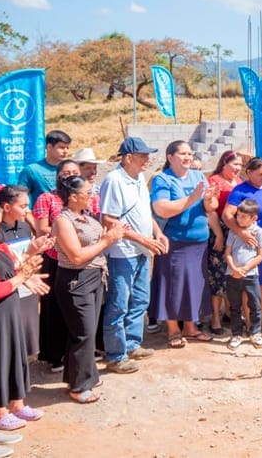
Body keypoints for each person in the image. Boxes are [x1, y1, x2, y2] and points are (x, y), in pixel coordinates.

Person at [53, 176, 126, 403]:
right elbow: (76, 256)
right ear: (73, 197)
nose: (92, 195)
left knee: (86, 331)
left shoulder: (86, 215)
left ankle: (81, 376)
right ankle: (79, 386)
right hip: (77, 280)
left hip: (94, 277)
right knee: (82, 333)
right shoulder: (63, 221)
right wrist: (107, 241)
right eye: (87, 192)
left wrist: (112, 235)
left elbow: (95, 242)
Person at [99, 137, 168, 374]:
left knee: (140, 300)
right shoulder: (114, 180)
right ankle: (115, 355)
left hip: (141, 250)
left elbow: (144, 211)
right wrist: (143, 239)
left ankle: (131, 343)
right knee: (119, 304)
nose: (147, 159)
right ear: (128, 158)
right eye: (143, 155)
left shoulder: (138, 178)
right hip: (123, 253)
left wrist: (157, 232)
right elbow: (109, 220)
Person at [150, 140, 219, 349]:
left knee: (193, 286)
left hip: (198, 242)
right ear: (170, 157)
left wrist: (208, 199)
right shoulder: (162, 179)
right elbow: (161, 209)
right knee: (173, 287)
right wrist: (192, 198)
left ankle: (191, 327)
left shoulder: (198, 176)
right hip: (175, 243)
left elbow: (211, 207)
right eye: (183, 153)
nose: (188, 157)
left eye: (190, 153)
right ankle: (173, 329)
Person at [0, 201, 46, 431]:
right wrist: (21, 278)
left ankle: (16, 403)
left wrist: (28, 268)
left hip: (9, 311)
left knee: (13, 355)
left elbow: (12, 263)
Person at [32, 159, 91, 372]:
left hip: (79, 258)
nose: (70, 175)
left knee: (76, 309)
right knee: (53, 308)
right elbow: (42, 229)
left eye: (74, 172)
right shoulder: (47, 198)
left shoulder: (84, 196)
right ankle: (55, 355)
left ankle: (78, 352)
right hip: (55, 258)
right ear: (58, 175)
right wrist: (67, 234)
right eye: (66, 172)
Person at [223, 158, 262, 333]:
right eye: (260, 174)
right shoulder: (240, 190)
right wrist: (241, 232)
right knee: (248, 283)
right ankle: (249, 322)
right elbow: (227, 214)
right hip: (246, 246)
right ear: (248, 172)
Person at [0, 185, 48, 363]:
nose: (27, 210)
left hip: (28, 287)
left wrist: (37, 249)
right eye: (23, 206)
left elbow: (25, 257)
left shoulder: (24, 227)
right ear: (6, 207)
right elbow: (5, 264)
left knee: (27, 337)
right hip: (11, 289)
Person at [205, 150, 243, 335]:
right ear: (224, 164)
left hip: (236, 232)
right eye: (235, 164)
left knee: (232, 275)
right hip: (219, 231)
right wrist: (219, 234)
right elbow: (210, 210)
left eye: (240, 165)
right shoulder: (214, 181)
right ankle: (215, 317)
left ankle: (229, 312)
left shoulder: (240, 182)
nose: (238, 168)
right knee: (218, 276)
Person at [225, 199, 262, 350]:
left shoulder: (259, 232)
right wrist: (234, 268)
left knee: (255, 305)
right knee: (234, 306)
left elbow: (260, 255)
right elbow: (228, 253)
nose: (239, 219)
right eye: (238, 215)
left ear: (253, 218)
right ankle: (236, 334)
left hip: (251, 275)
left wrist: (245, 268)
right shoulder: (233, 232)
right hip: (232, 275)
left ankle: (255, 333)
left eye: (243, 216)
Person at [18, 130, 72, 206]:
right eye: (62, 147)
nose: (66, 151)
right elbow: (20, 198)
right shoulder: (32, 170)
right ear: (49, 147)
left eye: (67, 148)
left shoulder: (71, 170)